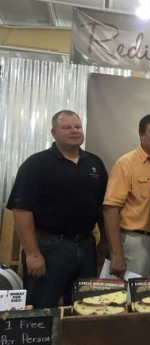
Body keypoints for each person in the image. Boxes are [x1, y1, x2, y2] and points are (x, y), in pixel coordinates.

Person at [6, 110, 108, 308]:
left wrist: (104, 241)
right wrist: (33, 254)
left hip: (86, 246)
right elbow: (21, 211)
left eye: (77, 127)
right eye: (67, 127)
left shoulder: (94, 163)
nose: (74, 131)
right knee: (40, 308)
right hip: (48, 247)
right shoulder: (35, 164)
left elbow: (102, 207)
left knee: (83, 308)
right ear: (54, 132)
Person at [103, 114, 150, 278]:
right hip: (136, 242)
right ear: (141, 135)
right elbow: (110, 209)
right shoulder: (126, 164)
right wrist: (117, 253)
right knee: (131, 297)